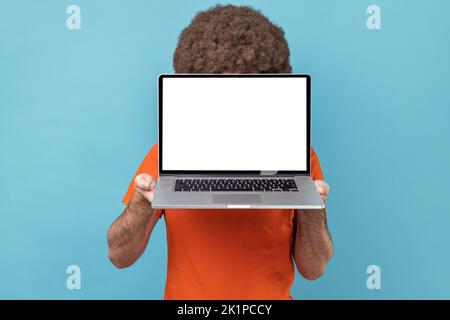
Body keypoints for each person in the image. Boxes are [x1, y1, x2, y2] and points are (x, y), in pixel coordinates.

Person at [107, 4, 333, 300]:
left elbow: (314, 269)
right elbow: (119, 256)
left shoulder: (299, 156)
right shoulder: (167, 154)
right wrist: (141, 205)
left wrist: (310, 209)